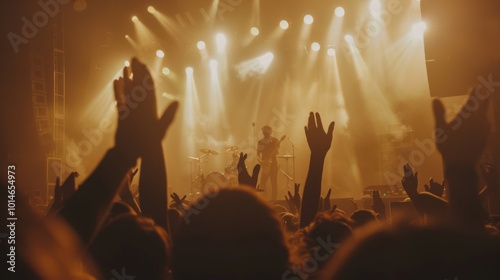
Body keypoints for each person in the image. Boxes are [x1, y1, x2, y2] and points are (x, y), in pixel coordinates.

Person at [257, 125, 280, 200]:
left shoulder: (275, 140)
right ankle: (263, 199)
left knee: (274, 182)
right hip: (264, 164)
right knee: (262, 183)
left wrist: (276, 150)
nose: (265, 134)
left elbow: (278, 152)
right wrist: (261, 162)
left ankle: (274, 200)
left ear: (270, 132)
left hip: (273, 164)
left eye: (267, 132)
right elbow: (257, 155)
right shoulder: (260, 142)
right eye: (264, 132)